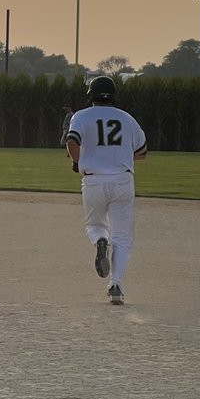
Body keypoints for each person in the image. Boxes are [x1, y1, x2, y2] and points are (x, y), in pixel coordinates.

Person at [64, 75, 148, 305]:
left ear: (91, 95)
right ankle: (116, 286)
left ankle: (101, 240)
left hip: (94, 180)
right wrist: (121, 157)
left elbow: (72, 141)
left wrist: (76, 161)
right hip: (122, 180)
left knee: (95, 225)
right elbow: (142, 151)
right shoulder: (126, 118)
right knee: (122, 236)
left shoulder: (81, 116)